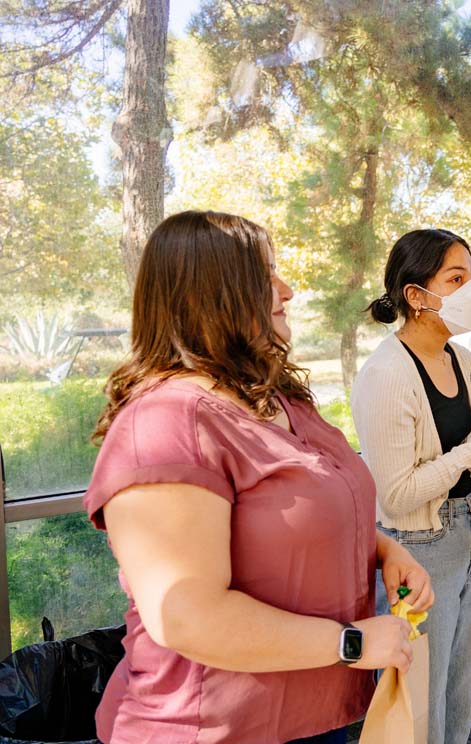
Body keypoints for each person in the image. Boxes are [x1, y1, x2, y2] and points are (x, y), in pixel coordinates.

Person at [83, 211, 432, 744]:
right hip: (213, 728)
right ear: (211, 292)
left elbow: (291, 514)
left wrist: (384, 550)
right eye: (267, 275)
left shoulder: (279, 398)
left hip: (320, 711)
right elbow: (188, 617)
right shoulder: (165, 421)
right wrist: (352, 644)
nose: (286, 291)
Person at [351, 228, 471, 744]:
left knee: (459, 690)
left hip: (465, 532)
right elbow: (397, 494)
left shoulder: (463, 361)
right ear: (416, 296)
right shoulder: (385, 375)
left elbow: (460, 461)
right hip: (415, 548)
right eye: (456, 279)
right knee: (419, 699)